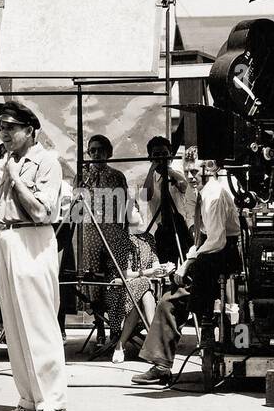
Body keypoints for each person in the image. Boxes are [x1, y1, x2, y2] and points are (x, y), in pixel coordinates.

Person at [0, 102, 68, 411]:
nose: (4, 133)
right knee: (15, 324)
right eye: (1, 126)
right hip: (6, 238)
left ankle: (54, 402)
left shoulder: (47, 162)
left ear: (29, 129)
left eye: (11, 127)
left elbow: (40, 212)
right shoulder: (2, 163)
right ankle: (29, 398)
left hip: (33, 239)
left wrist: (16, 180)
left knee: (39, 322)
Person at [132, 150, 241, 386]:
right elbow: (202, 239)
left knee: (175, 297)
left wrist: (189, 263)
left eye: (196, 171)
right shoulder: (201, 192)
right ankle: (162, 363)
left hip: (221, 254)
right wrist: (187, 262)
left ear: (209, 169)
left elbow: (217, 240)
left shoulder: (214, 195)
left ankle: (167, 359)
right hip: (208, 252)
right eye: (188, 172)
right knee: (171, 297)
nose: (191, 177)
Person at [78, 133, 133, 345]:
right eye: (92, 150)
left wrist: (124, 233)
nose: (96, 154)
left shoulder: (117, 176)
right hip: (91, 233)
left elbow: (125, 206)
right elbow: (77, 207)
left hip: (114, 232)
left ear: (108, 152)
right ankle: (100, 327)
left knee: (115, 280)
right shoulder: (83, 175)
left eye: (100, 149)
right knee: (94, 281)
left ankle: (115, 328)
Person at [108, 204, 173, 364]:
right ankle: (153, 339)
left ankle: (120, 345)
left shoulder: (148, 239)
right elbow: (125, 274)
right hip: (121, 290)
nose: (139, 212)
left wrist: (164, 269)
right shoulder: (120, 241)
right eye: (135, 210)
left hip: (145, 290)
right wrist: (149, 273)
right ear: (126, 217)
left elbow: (155, 265)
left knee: (144, 288)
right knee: (144, 285)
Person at [139, 135, 195, 267]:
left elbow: (187, 188)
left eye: (164, 154)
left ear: (170, 155)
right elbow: (145, 196)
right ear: (150, 157)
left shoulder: (177, 174)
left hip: (180, 226)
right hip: (162, 229)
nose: (161, 158)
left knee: (187, 263)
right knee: (166, 265)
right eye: (157, 155)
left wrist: (169, 171)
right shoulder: (150, 179)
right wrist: (153, 169)